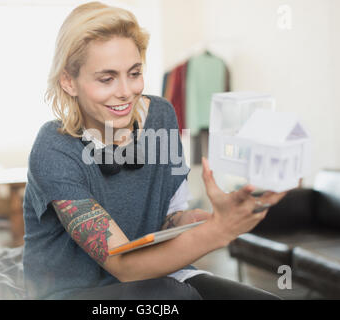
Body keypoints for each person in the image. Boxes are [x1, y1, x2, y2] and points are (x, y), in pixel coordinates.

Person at [23, 1, 287, 300]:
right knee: (175, 297)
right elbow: (123, 264)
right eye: (106, 78)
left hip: (160, 278)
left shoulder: (161, 115)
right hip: (73, 292)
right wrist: (220, 232)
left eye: (134, 73)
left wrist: (215, 216)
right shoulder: (53, 148)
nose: (125, 91)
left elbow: (168, 221)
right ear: (69, 82)